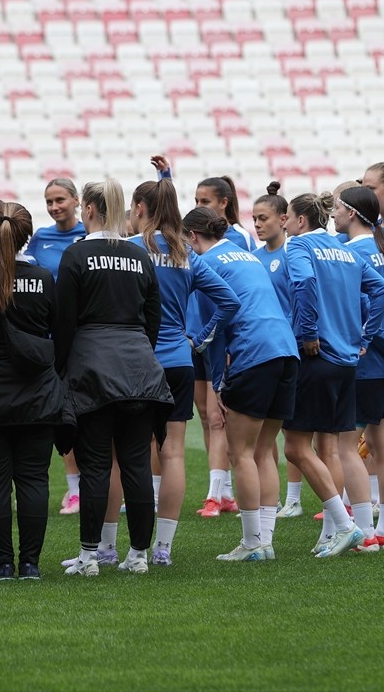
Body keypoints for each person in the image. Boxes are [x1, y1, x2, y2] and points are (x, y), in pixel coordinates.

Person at [55, 178, 172, 576]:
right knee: (138, 464)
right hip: (138, 365)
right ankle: (138, 555)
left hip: (92, 368)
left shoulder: (75, 256)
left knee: (96, 467)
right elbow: (153, 318)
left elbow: (64, 321)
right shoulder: (139, 257)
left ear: (87, 209)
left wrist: (62, 368)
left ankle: (90, 556)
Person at [128, 178, 241, 565]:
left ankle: (134, 551)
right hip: (178, 359)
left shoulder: (130, 250)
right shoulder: (185, 255)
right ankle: (163, 550)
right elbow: (230, 301)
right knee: (173, 452)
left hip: (138, 360)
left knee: (137, 452)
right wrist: (201, 337)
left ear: (140, 209)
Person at [0, 200, 70, 580]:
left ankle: (3, 564)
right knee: (33, 480)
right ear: (27, 237)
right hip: (36, 394)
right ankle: (31, 565)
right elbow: (61, 334)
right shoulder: (44, 278)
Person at [282, 191, 384, 558]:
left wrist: (309, 331)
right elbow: (382, 290)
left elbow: (303, 284)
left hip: (318, 356)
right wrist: (364, 335)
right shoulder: (346, 249)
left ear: (301, 221)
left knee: (297, 447)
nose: (285, 223)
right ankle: (332, 533)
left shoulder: (299, 248)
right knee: (329, 446)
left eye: (287, 216)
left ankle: (345, 527)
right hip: (348, 361)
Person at [183, 206, 299, 561]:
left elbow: (216, 331)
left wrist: (218, 383)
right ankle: (265, 540)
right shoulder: (247, 255)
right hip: (286, 350)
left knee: (241, 452)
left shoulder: (206, 265)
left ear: (191, 237)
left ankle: (252, 543)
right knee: (264, 449)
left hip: (253, 353)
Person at [332, 186, 384, 550]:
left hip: (365, 364)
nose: (332, 214)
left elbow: (370, 314)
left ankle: (365, 533)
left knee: (346, 447)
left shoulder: (349, 254)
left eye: (336, 207)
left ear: (351, 213)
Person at [25, 178, 87, 514]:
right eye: (49, 201)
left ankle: (102, 483)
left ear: (76, 200)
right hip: (51, 340)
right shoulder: (41, 238)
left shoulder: (87, 235)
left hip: (85, 336)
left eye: (60, 199)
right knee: (63, 412)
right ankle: (74, 489)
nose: (54, 207)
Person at [251, 184, 304, 518]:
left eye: (263, 218)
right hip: (265, 350)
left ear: (283, 219)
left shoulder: (293, 254)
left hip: (292, 348)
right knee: (268, 433)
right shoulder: (254, 259)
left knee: (299, 433)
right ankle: (277, 498)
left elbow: (302, 299)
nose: (257, 225)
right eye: (254, 219)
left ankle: (297, 498)